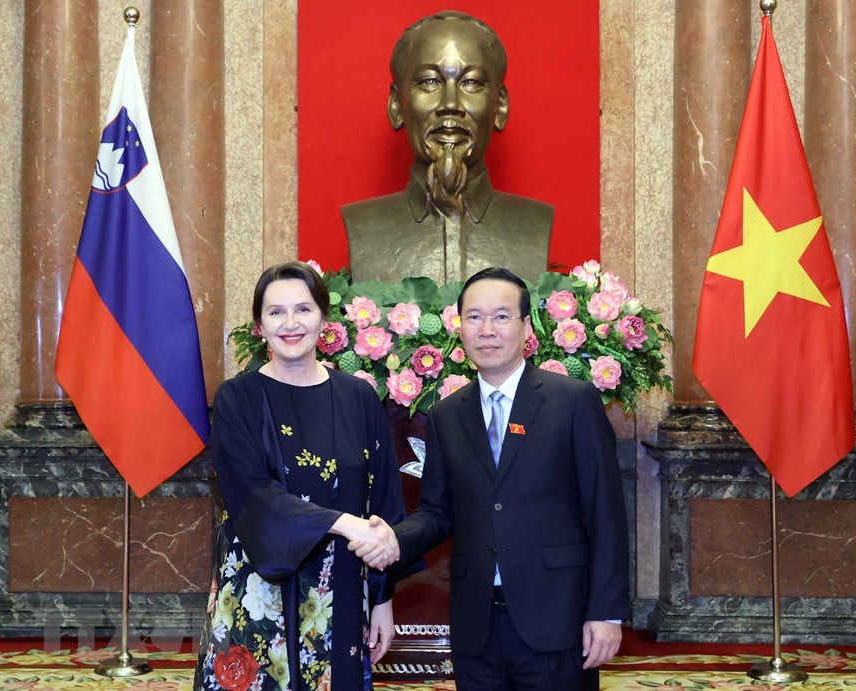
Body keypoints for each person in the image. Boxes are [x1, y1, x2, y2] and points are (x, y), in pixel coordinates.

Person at [354, 267, 630, 690]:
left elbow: (605, 512)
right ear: (459, 328)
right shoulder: (447, 415)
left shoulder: (572, 401)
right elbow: (437, 512)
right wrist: (393, 538)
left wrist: (606, 612)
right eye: (474, 317)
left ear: (526, 327)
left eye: (501, 316)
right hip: (476, 624)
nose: (487, 329)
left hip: (557, 618)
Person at [193, 261, 403, 691]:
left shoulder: (359, 397)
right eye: (276, 312)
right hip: (256, 596)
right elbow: (254, 495)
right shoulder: (237, 398)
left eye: (303, 309)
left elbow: (383, 503)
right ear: (259, 325)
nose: (291, 323)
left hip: (341, 593)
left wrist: (383, 598)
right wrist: (342, 523)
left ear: (324, 319)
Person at [342, 11, 553, 284]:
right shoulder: (363, 225)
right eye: (429, 82)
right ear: (397, 105)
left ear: (500, 106)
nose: (450, 104)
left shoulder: (535, 223)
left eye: (471, 83)